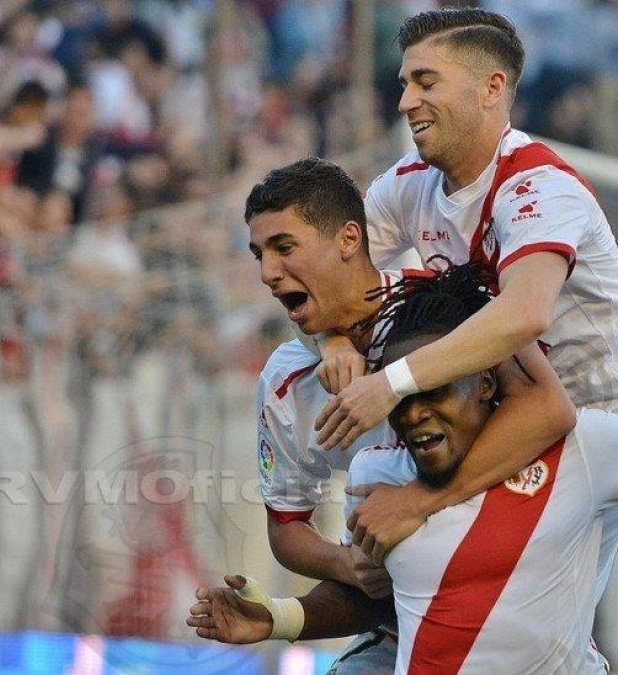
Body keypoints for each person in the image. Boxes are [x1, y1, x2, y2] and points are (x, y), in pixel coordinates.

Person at [188, 261, 618, 673]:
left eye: (433, 390)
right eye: (399, 398)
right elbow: (389, 599)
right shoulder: (378, 475)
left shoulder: (582, 447)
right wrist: (278, 619)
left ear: (486, 380)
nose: (414, 414)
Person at [310, 10, 618, 615]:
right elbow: (330, 278)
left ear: (492, 89)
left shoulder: (541, 188)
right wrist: (335, 343)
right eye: (404, 84)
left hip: (590, 437)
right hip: (489, 418)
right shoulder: (408, 185)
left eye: (426, 82)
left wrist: (389, 383)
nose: (405, 101)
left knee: (506, 624)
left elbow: (523, 314)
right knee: (434, 603)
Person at [243, 158, 576, 671]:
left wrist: (417, 501)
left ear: (349, 240)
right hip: (396, 626)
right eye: (259, 254)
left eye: (284, 248)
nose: (267, 273)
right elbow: (286, 525)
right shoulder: (285, 383)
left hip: (515, 611)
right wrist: (347, 564)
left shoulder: (441, 304)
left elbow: (549, 407)